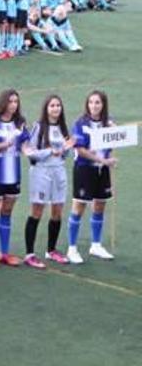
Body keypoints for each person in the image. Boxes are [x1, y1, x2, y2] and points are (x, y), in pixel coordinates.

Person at [66, 90, 117, 264]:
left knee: (99, 206)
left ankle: (96, 245)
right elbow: (79, 150)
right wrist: (101, 159)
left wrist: (109, 158)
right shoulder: (80, 123)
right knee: (79, 206)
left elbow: (112, 143)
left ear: (103, 105)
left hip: (102, 170)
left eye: (98, 103)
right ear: (87, 105)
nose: (94, 106)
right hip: (84, 169)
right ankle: (72, 248)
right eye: (91, 102)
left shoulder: (108, 123)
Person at [0, 89, 31, 267]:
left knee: (7, 212)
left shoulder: (20, 122)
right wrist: (6, 144)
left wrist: (31, 152)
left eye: (16, 102)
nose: (13, 105)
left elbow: (25, 144)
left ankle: (4, 253)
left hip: (13, 173)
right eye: (10, 101)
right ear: (3, 102)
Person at [24, 95, 73, 268]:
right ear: (46, 108)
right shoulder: (39, 127)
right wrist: (49, 151)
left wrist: (67, 149)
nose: (55, 108)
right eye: (52, 105)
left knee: (58, 211)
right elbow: (30, 153)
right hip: (41, 172)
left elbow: (64, 154)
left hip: (59, 172)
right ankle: (30, 254)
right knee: (37, 211)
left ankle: (51, 250)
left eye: (58, 105)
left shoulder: (63, 127)